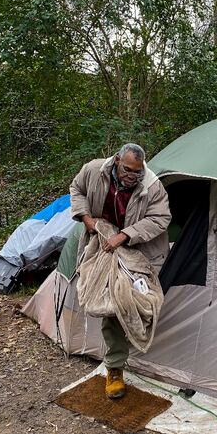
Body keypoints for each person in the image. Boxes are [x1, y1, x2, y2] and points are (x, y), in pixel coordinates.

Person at [70, 143, 171, 399]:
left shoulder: (151, 185)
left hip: (138, 251)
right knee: (113, 305)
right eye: (127, 169)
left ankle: (146, 349)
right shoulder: (93, 170)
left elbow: (161, 218)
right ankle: (115, 368)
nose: (132, 176)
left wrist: (126, 235)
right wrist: (86, 218)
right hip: (102, 247)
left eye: (137, 172)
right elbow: (77, 189)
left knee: (138, 301)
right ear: (116, 160)